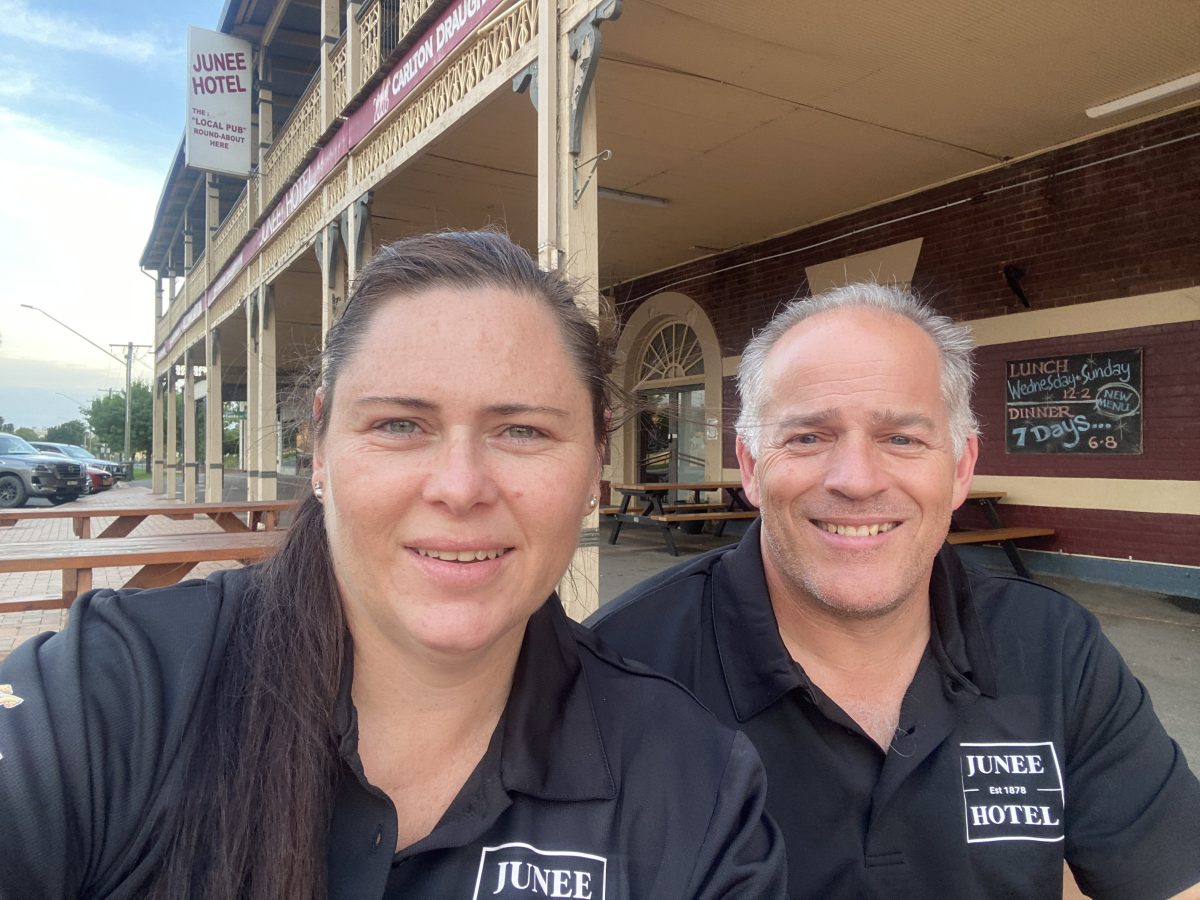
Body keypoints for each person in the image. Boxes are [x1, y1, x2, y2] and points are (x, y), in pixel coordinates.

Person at [0, 231, 785, 899]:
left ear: (593, 466)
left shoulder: (692, 780)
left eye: (522, 432)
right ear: (319, 448)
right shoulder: (116, 689)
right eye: (401, 423)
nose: (459, 487)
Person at [588, 283, 1200, 900]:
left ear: (961, 467)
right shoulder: (617, 673)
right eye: (808, 437)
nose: (856, 481)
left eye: (902, 438)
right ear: (750, 465)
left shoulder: (1053, 647)